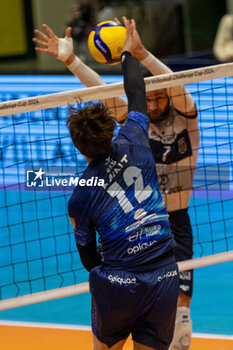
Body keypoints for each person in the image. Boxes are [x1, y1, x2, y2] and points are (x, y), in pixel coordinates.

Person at [33, 18, 198, 350]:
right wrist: (71, 61)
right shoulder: (135, 132)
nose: (151, 105)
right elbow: (107, 95)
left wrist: (141, 53)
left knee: (181, 327)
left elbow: (175, 85)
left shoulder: (185, 117)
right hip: (130, 235)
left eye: (158, 99)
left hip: (171, 227)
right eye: (147, 100)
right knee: (164, 327)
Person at [67, 16, 179, 350]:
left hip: (119, 283)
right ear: (110, 128)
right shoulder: (136, 140)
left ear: (78, 146)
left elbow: (89, 260)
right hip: (164, 273)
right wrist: (129, 53)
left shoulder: (81, 196)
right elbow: (136, 94)